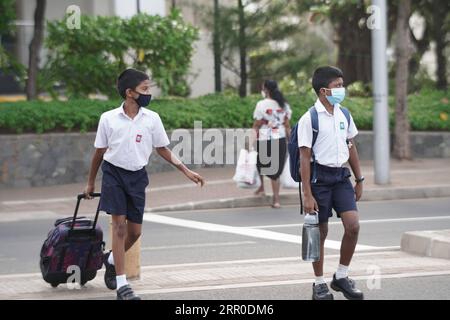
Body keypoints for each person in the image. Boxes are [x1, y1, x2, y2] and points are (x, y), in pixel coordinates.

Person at [83, 68, 205, 300]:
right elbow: (99, 153)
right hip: (114, 175)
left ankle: (110, 260)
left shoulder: (152, 119)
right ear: (130, 93)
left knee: (135, 233)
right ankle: (122, 286)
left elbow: (162, 148)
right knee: (119, 228)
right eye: (145, 89)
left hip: (138, 176)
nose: (149, 93)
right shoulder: (108, 119)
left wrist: (186, 170)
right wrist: (90, 182)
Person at [297, 66, 365, 300]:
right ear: (324, 91)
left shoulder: (344, 114)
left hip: (341, 177)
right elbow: (304, 158)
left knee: (353, 225)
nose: (342, 89)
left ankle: (341, 276)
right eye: (338, 86)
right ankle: (319, 284)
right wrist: (307, 193)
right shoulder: (310, 118)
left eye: (342, 84)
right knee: (320, 232)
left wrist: (359, 178)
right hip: (318, 178)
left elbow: (351, 146)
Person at [251, 80, 292, 208]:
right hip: (279, 139)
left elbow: (256, 125)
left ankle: (263, 189)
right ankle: (275, 199)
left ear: (266, 90)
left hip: (264, 138)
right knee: (275, 169)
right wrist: (290, 141)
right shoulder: (283, 105)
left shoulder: (261, 105)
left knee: (260, 164)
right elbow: (287, 124)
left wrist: (250, 140)